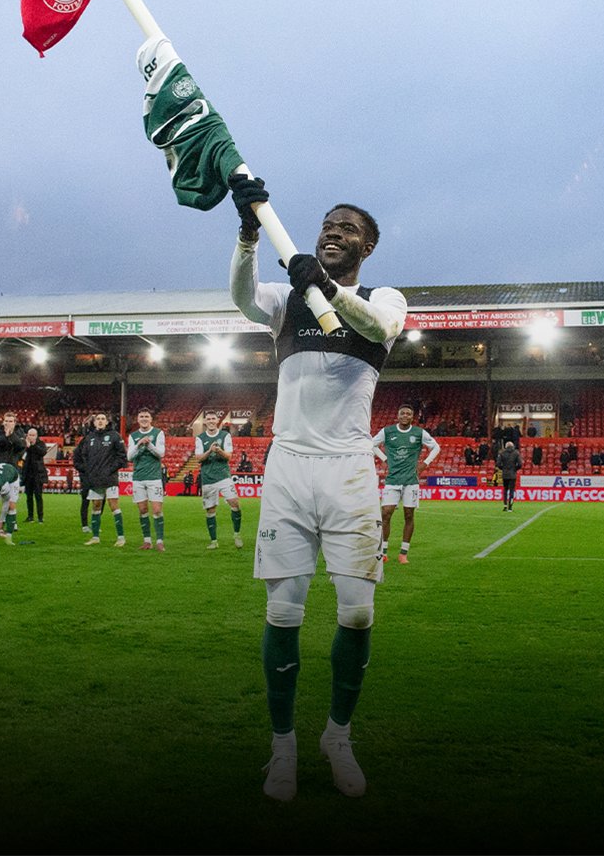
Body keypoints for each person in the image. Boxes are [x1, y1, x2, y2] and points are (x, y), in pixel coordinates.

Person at [230, 174, 407, 803]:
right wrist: (250, 235)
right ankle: (283, 750)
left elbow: (381, 328)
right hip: (288, 466)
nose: (334, 231)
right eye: (328, 224)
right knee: (283, 610)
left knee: (357, 611)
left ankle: (338, 736)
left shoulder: (386, 296)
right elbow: (243, 300)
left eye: (348, 228)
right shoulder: (287, 297)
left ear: (368, 247)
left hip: (351, 468)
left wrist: (325, 286)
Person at [371, 403, 440, 562]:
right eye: (402, 413)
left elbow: (436, 447)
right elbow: (371, 444)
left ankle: (403, 553)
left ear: (412, 417)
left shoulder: (418, 433)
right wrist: (384, 458)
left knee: (409, 515)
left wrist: (425, 463)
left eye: (408, 414)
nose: (405, 416)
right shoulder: (387, 431)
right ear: (398, 415)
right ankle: (384, 552)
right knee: (386, 513)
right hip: (393, 480)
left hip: (411, 481)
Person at [73, 412, 128, 547]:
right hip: (94, 479)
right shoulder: (89, 438)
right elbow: (80, 456)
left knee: (113, 505)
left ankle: (121, 537)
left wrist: (110, 470)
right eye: (98, 419)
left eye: (103, 419)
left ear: (107, 422)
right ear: (94, 422)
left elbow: (122, 458)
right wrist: (87, 470)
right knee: (96, 506)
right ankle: (95, 537)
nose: (100, 421)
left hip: (110, 478)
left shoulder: (115, 436)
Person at [195, 408, 244, 550]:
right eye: (208, 419)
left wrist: (219, 450)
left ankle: (236, 534)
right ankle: (214, 541)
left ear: (217, 421)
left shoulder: (225, 436)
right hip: (208, 478)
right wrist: (210, 450)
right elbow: (198, 458)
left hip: (223, 476)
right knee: (210, 510)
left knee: (235, 503)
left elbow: (229, 456)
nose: (211, 421)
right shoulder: (200, 438)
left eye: (213, 419)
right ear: (205, 422)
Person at [128, 408, 166, 551]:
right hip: (138, 478)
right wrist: (139, 444)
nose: (144, 418)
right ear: (138, 419)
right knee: (143, 509)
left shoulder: (158, 433)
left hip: (154, 477)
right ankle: (147, 541)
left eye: (146, 416)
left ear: (151, 419)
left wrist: (148, 444)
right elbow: (129, 457)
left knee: (156, 510)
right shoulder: (133, 436)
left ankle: (160, 541)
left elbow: (161, 453)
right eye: (141, 416)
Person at [21, 427, 49, 523]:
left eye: (33, 435)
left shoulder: (40, 444)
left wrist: (31, 446)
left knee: (38, 496)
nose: (31, 437)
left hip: (38, 475)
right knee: (28, 496)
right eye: (30, 435)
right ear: (27, 436)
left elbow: (42, 452)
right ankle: (30, 516)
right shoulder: (24, 446)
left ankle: (40, 517)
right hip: (28, 474)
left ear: (36, 436)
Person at [496, 440, 523, 512]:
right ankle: (510, 507)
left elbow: (498, 464)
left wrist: (503, 469)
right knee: (511, 490)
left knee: (505, 490)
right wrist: (515, 469)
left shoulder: (502, 453)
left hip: (505, 474)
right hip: (512, 475)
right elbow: (520, 464)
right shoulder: (516, 453)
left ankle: (505, 506)